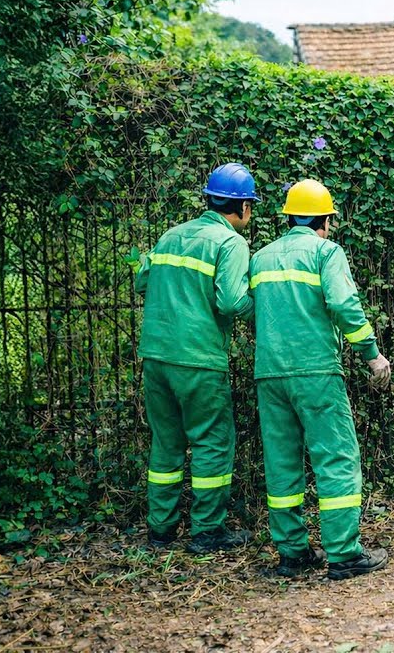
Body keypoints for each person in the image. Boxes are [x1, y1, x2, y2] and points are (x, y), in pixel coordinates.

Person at [249, 178, 392, 580]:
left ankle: (293, 555)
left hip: (270, 375)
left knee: (281, 464)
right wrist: (371, 354)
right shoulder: (326, 252)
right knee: (336, 458)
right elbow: (344, 304)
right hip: (316, 371)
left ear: (290, 216)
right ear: (325, 220)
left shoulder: (259, 258)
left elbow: (246, 307)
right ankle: (344, 554)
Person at [134, 163, 258, 554]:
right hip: (199, 359)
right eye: (250, 205)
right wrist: (268, 309)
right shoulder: (230, 243)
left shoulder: (171, 235)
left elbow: (141, 281)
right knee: (210, 443)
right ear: (240, 207)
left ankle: (161, 531)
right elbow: (232, 300)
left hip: (155, 356)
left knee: (166, 444)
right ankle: (207, 532)